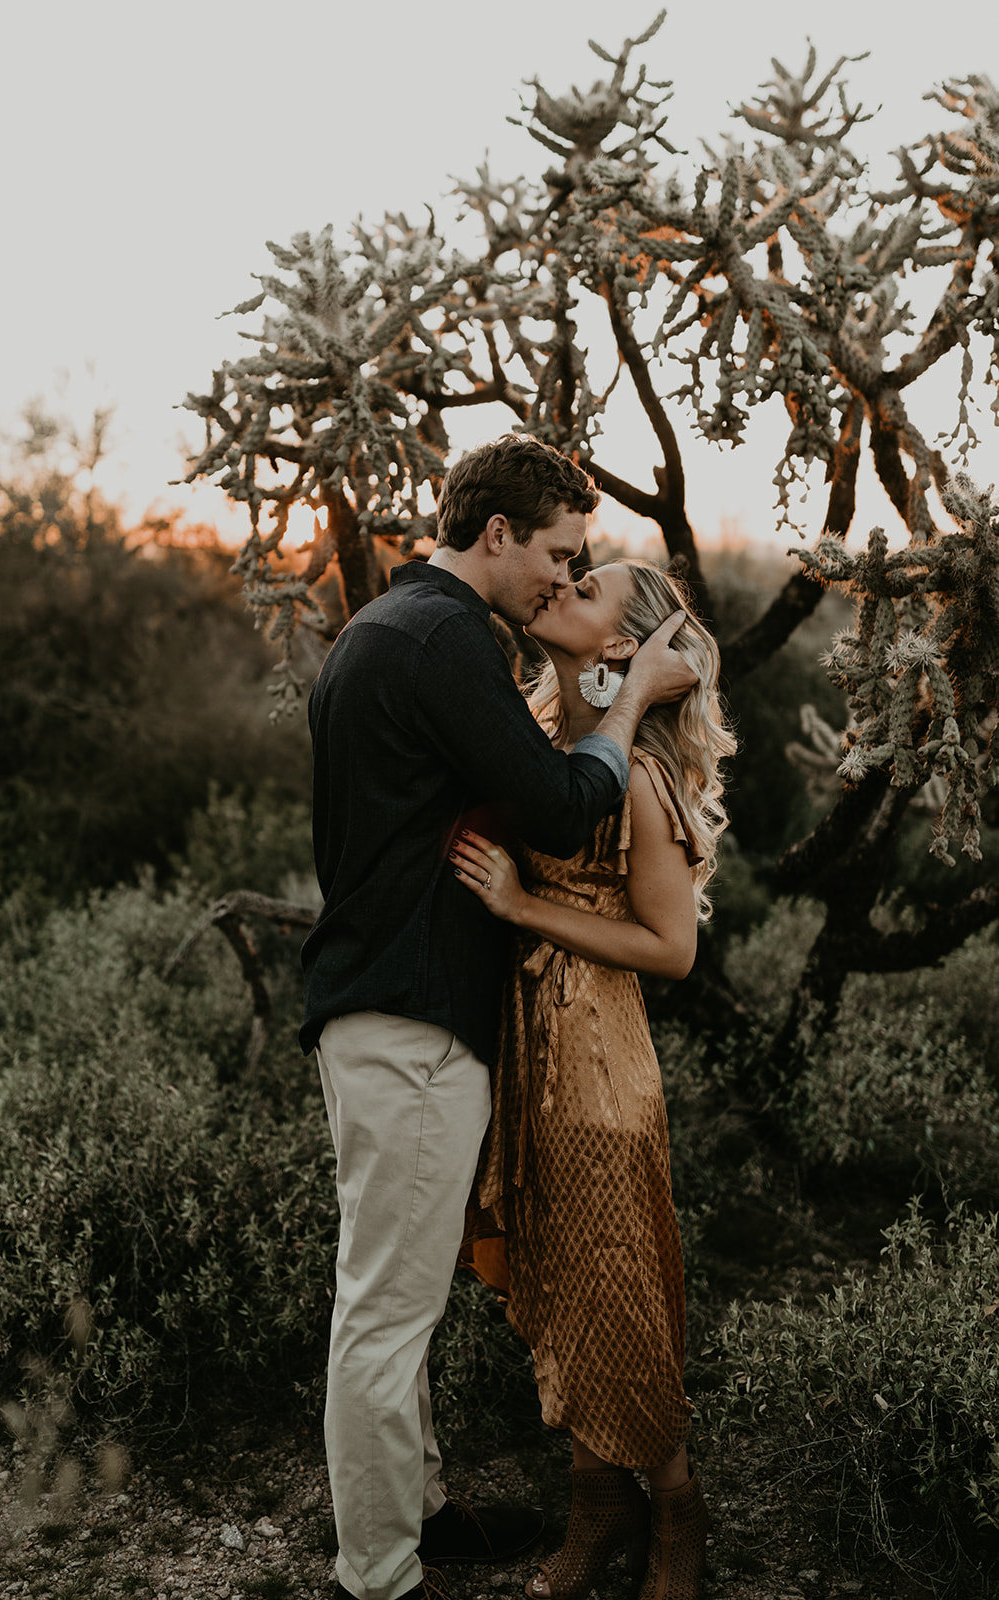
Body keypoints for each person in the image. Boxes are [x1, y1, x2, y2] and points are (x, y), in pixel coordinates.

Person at [300, 435, 698, 1600]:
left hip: (396, 1012)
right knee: (383, 1310)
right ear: (496, 536)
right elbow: (563, 805)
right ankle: (379, 1574)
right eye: (559, 556)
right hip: (412, 1024)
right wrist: (625, 706)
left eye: (582, 570)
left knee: (395, 1296)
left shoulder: (388, 628)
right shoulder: (442, 641)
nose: (558, 581)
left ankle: (422, 1510)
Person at [451, 559, 735, 1600]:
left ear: (621, 647)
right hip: (522, 1040)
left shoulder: (645, 781)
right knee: (557, 1274)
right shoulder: (536, 724)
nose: (562, 585)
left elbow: (669, 948)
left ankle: (674, 1504)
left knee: (612, 1280)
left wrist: (524, 907)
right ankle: (595, 1503)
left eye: (589, 589)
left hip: (595, 1054)